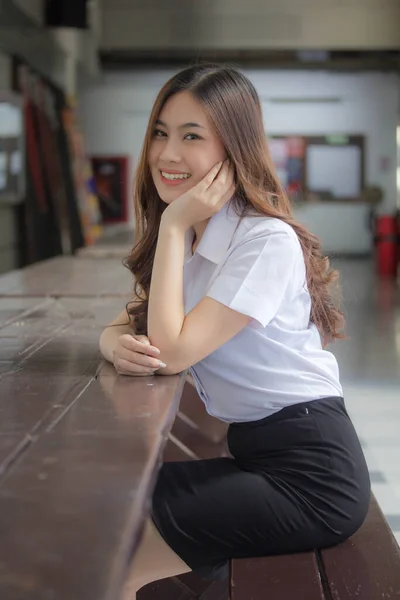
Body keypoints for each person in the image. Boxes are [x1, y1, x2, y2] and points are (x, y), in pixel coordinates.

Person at [99, 64, 371, 597]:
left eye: (191, 136)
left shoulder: (263, 241)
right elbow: (128, 320)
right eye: (160, 133)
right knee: (108, 503)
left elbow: (171, 352)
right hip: (256, 457)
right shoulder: (201, 241)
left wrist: (174, 224)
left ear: (233, 148)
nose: (167, 154)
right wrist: (111, 344)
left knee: (112, 555)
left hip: (311, 479)